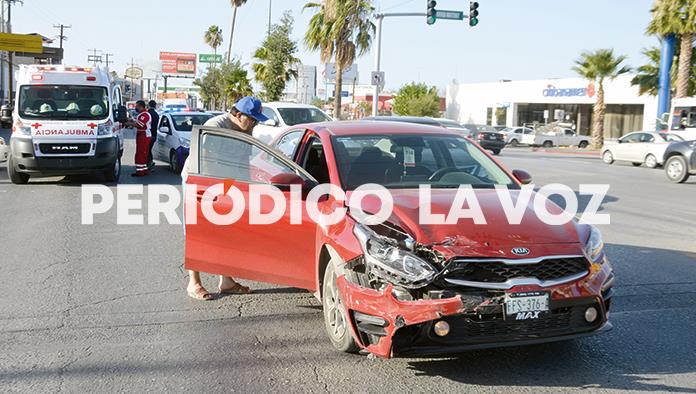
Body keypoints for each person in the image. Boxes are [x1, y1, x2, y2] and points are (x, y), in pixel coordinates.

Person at [181, 96, 269, 301]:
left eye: (256, 121)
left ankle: (226, 281)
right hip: (201, 181)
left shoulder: (245, 131)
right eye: (252, 119)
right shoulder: (216, 126)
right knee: (199, 232)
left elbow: (242, 163)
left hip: (226, 184)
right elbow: (205, 160)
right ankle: (194, 283)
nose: (254, 124)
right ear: (238, 115)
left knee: (226, 231)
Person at [125, 100, 152, 177]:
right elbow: (137, 121)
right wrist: (129, 120)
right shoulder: (142, 114)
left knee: (141, 153)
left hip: (144, 135)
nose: (135, 108)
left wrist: (127, 123)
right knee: (143, 153)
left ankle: (140, 172)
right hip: (142, 135)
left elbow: (139, 125)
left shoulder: (144, 115)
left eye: (136, 106)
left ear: (141, 106)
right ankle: (144, 169)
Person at [147, 100, 160, 171]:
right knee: (149, 149)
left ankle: (149, 163)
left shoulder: (147, 114)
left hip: (148, 134)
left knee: (147, 150)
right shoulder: (156, 114)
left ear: (149, 105)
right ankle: (149, 162)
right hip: (154, 134)